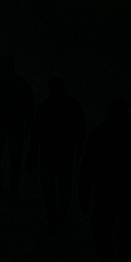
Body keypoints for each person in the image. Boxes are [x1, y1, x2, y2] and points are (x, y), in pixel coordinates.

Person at [78, 99, 131, 262]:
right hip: (129, 193)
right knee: (126, 235)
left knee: (102, 233)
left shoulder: (98, 134)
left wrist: (83, 194)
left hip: (105, 192)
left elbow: (86, 167)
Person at [25, 77, 87, 232]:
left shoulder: (44, 107)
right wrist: (80, 151)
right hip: (65, 152)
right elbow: (81, 131)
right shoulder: (72, 106)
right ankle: (60, 216)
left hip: (48, 153)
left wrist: (32, 155)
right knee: (63, 185)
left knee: (49, 186)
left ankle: (53, 216)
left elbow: (35, 133)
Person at [0, 54, 32, 196]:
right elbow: (29, 106)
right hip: (15, 125)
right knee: (15, 157)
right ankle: (13, 187)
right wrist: (28, 124)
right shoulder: (21, 83)